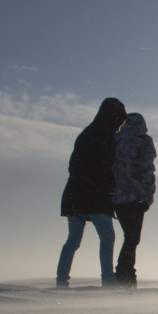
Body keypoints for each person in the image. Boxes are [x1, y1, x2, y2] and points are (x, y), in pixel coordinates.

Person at [56, 97, 127, 288]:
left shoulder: (87, 134)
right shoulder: (107, 137)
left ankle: (61, 281)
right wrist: (106, 187)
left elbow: (74, 166)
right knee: (107, 238)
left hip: (75, 195)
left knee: (73, 241)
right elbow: (107, 169)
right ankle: (108, 281)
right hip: (96, 197)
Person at [111, 112, 157, 287]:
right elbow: (147, 169)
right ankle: (125, 275)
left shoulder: (116, 139)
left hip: (119, 198)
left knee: (129, 236)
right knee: (132, 238)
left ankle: (125, 273)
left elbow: (113, 169)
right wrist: (147, 196)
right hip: (136, 197)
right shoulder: (143, 140)